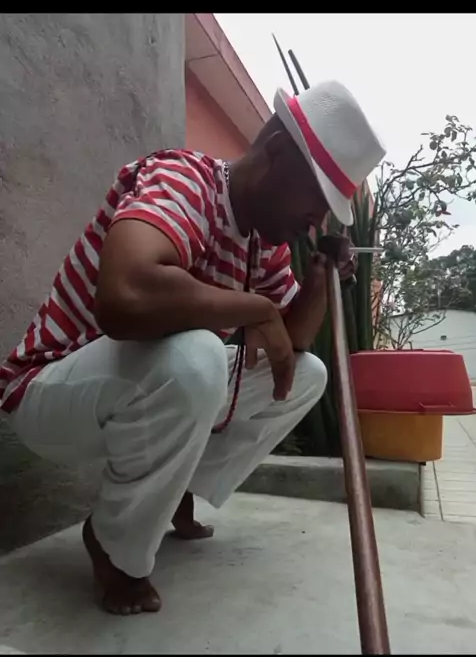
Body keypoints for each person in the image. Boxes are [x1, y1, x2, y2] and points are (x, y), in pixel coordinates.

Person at [0, 79, 386, 616]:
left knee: (308, 374)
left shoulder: (262, 242)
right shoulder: (185, 180)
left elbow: (290, 345)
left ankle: (172, 493)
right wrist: (256, 309)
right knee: (197, 356)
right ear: (277, 153)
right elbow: (125, 294)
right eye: (317, 200)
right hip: (45, 392)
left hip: (125, 391)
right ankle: (114, 545)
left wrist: (320, 274)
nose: (314, 222)